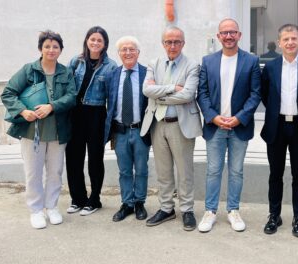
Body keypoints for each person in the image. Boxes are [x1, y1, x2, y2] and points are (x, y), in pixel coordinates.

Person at [1, 30, 76, 229]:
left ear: (60, 50)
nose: (51, 50)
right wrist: (23, 111)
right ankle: (36, 210)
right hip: (30, 132)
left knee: (55, 172)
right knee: (33, 173)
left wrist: (52, 106)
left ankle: (51, 207)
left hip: (58, 132)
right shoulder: (28, 70)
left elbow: (71, 96)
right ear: (40, 49)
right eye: (47, 46)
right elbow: (8, 93)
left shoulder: (65, 72)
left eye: (55, 46)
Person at [197, 18, 261, 232]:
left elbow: (255, 94)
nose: (228, 36)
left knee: (236, 171)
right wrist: (213, 117)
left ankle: (233, 210)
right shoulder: (208, 61)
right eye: (224, 33)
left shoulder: (251, 61)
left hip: (239, 127)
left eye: (233, 32)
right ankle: (210, 211)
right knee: (213, 171)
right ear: (218, 36)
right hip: (215, 126)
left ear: (239, 35)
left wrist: (239, 118)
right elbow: (202, 93)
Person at [260, 24, 298, 237]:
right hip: (276, 127)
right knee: (275, 175)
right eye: (285, 39)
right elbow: (265, 96)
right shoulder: (269, 68)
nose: (290, 42)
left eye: (293, 38)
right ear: (279, 42)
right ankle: (274, 215)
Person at [141, 26, 202, 231]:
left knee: (184, 171)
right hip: (157, 125)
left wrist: (159, 96)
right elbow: (146, 90)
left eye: (177, 41)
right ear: (163, 44)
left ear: (183, 43)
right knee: (163, 171)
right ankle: (166, 208)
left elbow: (188, 95)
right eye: (169, 42)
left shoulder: (192, 65)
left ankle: (187, 210)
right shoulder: (154, 63)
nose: (173, 45)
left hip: (180, 125)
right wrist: (171, 89)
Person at [65, 26, 117, 216]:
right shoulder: (76, 61)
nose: (95, 43)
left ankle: (94, 200)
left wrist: (110, 126)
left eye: (99, 40)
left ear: (105, 44)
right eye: (92, 39)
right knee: (73, 158)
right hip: (75, 114)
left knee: (95, 159)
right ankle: (77, 198)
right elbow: (68, 89)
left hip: (96, 114)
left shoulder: (110, 66)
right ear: (87, 40)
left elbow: (112, 99)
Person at [104, 36, 150, 222]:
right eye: (124, 49)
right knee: (124, 170)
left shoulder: (148, 74)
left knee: (141, 169)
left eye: (132, 49)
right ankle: (127, 203)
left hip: (140, 130)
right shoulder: (112, 75)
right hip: (120, 131)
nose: (128, 52)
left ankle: (139, 202)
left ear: (138, 52)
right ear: (119, 53)